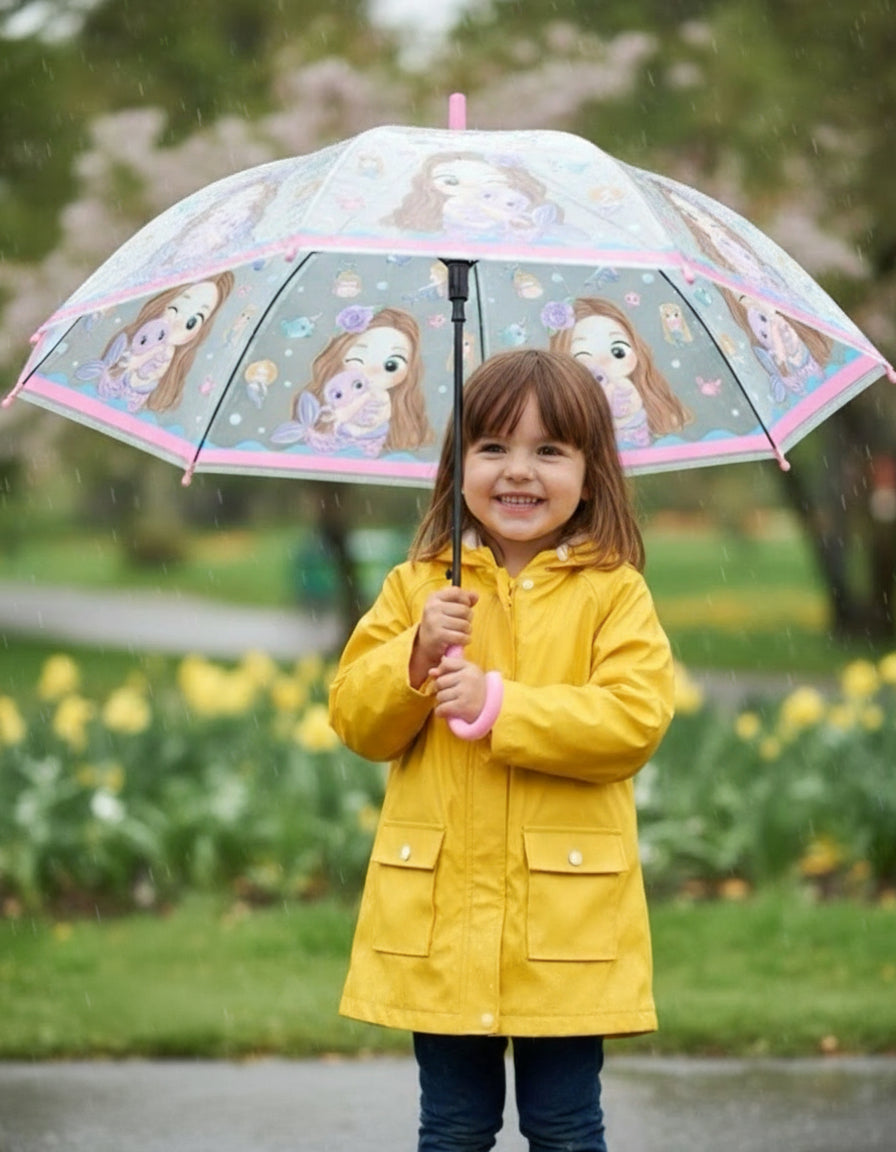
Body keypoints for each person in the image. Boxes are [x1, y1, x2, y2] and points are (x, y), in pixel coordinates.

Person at [329, 348, 675, 1152]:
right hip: (443, 917)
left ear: (592, 474)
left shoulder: (612, 590)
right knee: (452, 1126)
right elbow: (355, 717)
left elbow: (633, 720)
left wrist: (500, 705)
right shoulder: (420, 586)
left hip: (564, 920)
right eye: (493, 447)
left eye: (549, 450)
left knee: (563, 1123)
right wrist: (412, 658)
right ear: (459, 468)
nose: (518, 472)